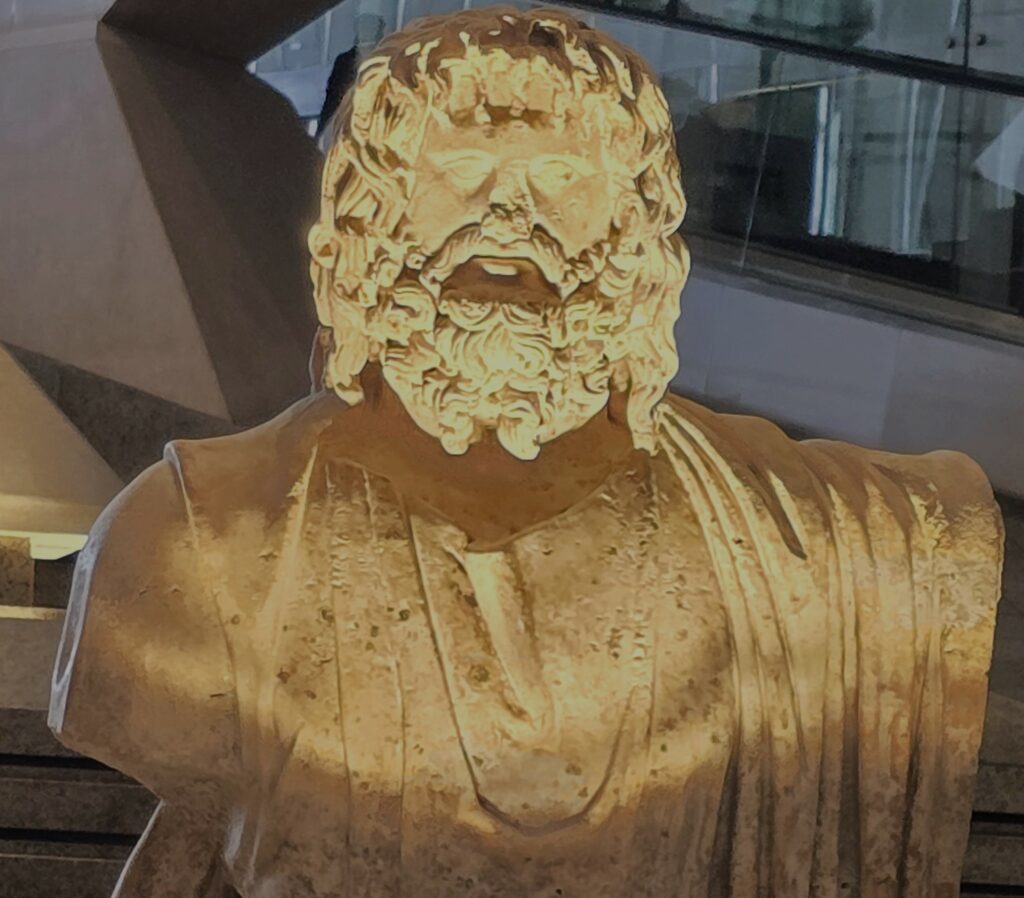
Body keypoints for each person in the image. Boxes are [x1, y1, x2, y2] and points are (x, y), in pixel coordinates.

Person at [50, 8, 1002, 897]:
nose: (509, 214)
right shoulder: (191, 543)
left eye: (563, 179)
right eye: (459, 168)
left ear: (635, 236)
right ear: (366, 222)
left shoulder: (848, 545)